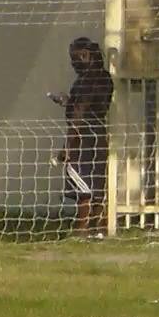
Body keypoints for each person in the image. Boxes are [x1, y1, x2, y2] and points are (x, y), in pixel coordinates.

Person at [51, 37, 114, 238]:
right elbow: (90, 106)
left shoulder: (86, 80)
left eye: (74, 58)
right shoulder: (105, 77)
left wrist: (69, 144)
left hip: (84, 135)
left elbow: (80, 112)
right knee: (97, 182)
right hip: (99, 133)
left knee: (82, 184)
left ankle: (81, 228)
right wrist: (68, 102)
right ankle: (99, 227)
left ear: (85, 55)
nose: (73, 63)